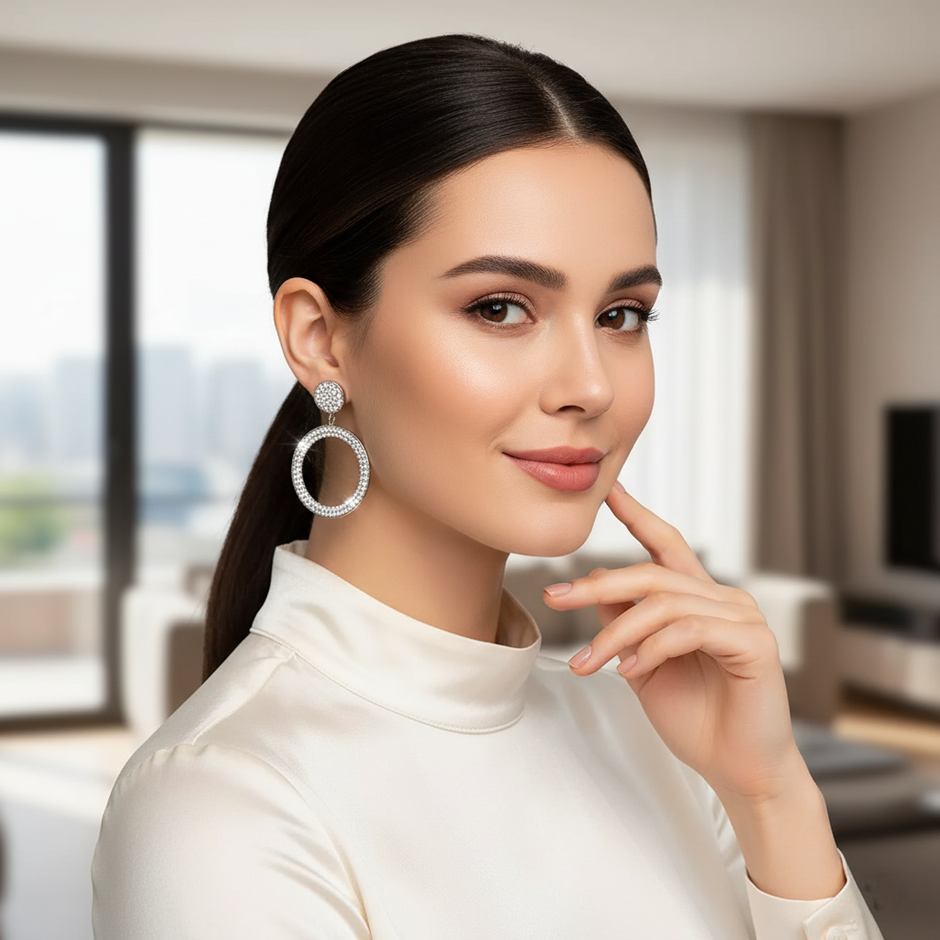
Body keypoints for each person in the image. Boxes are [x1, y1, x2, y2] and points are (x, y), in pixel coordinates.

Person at [92, 34, 883, 940]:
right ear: (319, 337)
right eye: (500, 307)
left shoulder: (657, 738)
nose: (590, 383)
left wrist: (771, 790)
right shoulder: (221, 801)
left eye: (623, 315)